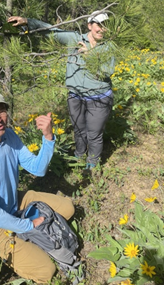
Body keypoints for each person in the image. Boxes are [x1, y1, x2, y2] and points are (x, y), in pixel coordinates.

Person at [0, 90, 75, 283]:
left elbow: (37, 169)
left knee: (68, 208)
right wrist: (29, 224)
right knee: (46, 272)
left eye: (2, 111)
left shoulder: (10, 137)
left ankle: (23, 233)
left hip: (14, 201)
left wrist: (48, 137)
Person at [8, 11, 115, 169]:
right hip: (75, 97)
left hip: (99, 98)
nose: (102, 29)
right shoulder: (74, 39)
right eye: (99, 25)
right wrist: (27, 21)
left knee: (94, 134)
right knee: (79, 130)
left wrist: (89, 55)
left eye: (105, 26)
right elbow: (52, 30)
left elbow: (107, 71)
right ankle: (78, 156)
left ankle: (92, 164)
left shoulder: (109, 46)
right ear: (90, 25)